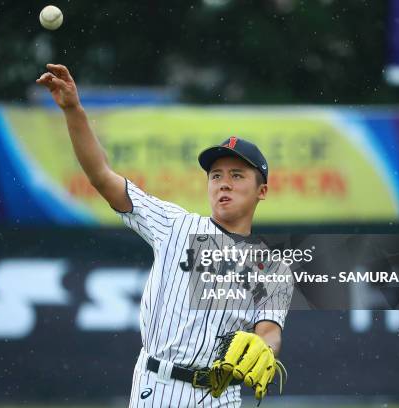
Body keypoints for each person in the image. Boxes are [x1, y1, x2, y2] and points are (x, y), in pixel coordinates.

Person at [37, 64, 293, 407]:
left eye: (237, 175)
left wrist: (265, 347)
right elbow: (100, 175)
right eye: (215, 176)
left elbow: (270, 330)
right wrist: (73, 110)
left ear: (262, 191)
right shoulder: (174, 225)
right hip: (158, 386)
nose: (224, 183)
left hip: (222, 396)